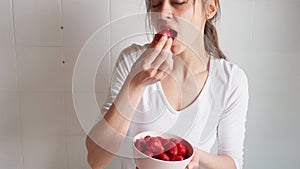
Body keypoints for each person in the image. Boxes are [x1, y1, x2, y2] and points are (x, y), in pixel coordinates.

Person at [86, 0, 249, 169]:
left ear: (210, 8)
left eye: (178, 2)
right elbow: (95, 159)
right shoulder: (132, 62)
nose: (162, 13)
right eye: (155, 4)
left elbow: (233, 163)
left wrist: (196, 156)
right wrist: (135, 84)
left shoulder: (230, 80)